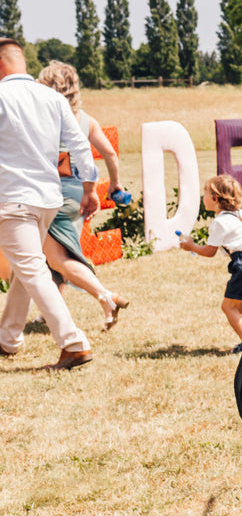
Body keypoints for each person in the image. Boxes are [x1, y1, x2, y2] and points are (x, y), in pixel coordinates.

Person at [0, 38, 100, 369]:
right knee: (25, 268)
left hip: (13, 198)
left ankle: (74, 343)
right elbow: (79, 145)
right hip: (47, 199)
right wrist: (89, 188)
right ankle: (8, 338)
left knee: (31, 268)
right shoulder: (52, 98)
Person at [34, 61, 131, 330]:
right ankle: (50, 311)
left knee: (57, 258)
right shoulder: (86, 119)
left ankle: (106, 297)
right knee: (56, 253)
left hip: (53, 194)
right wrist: (114, 185)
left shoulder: (43, 118)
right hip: (79, 194)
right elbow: (110, 153)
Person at [177, 174, 242, 353]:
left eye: (205, 194)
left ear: (215, 198)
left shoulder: (220, 222)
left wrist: (191, 246)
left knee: (228, 307)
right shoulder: (241, 214)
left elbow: (209, 252)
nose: (203, 198)